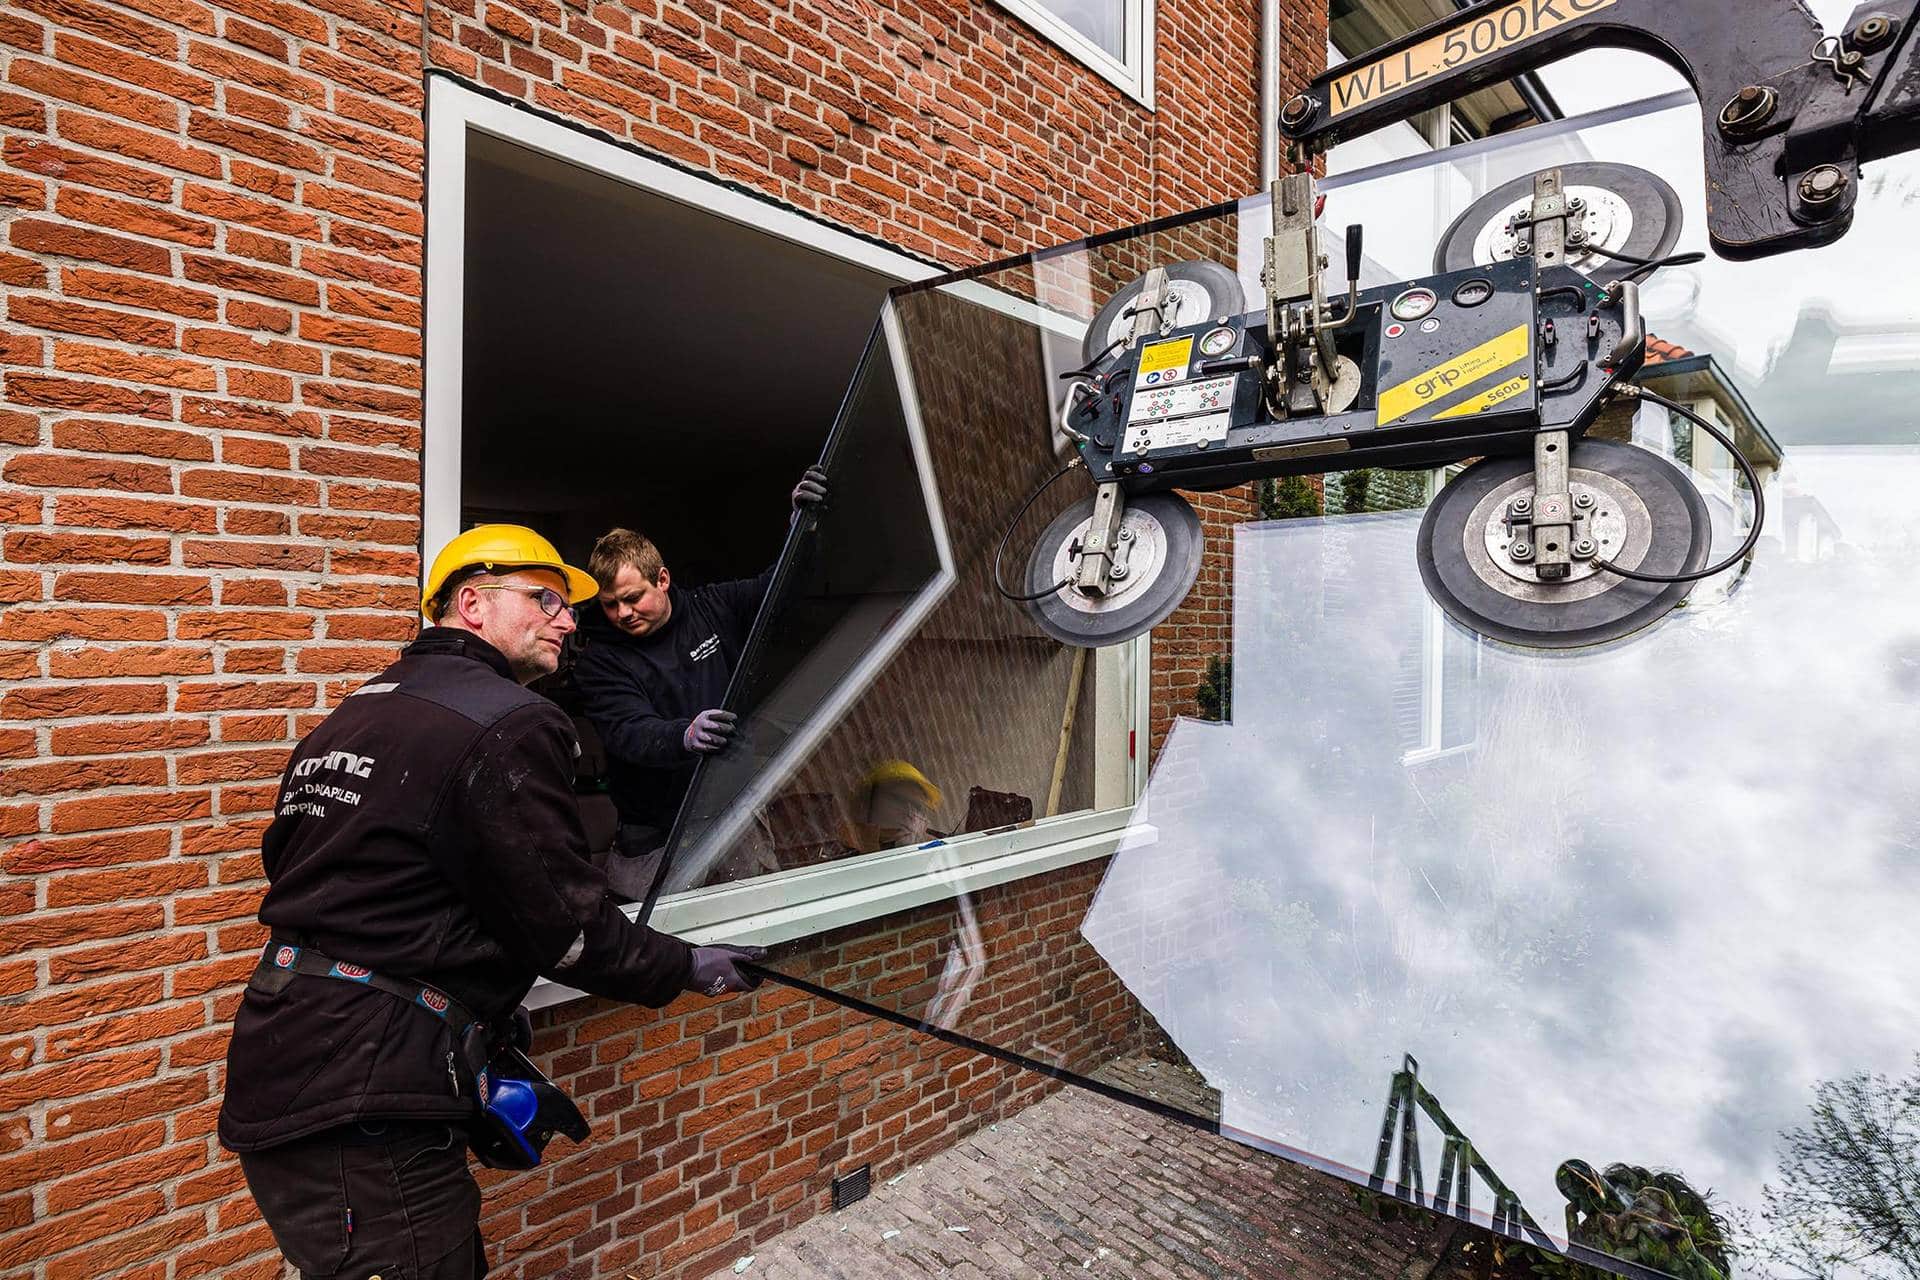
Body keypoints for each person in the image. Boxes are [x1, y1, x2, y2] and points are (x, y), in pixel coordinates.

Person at [218, 524, 768, 1280]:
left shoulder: (352, 715)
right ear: (471, 603)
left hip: (298, 1061)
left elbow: (306, 868)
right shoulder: (508, 719)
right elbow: (567, 927)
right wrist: (685, 964)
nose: (571, 619)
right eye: (547, 598)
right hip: (365, 1101)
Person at [575, 466, 826, 898]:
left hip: (729, 816)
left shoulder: (712, 608)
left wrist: (803, 526)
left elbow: (781, 588)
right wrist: (684, 735)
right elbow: (627, 732)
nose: (623, 614)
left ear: (663, 579)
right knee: (657, 943)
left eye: (633, 598)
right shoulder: (602, 658)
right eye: (611, 604)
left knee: (751, 922)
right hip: (652, 836)